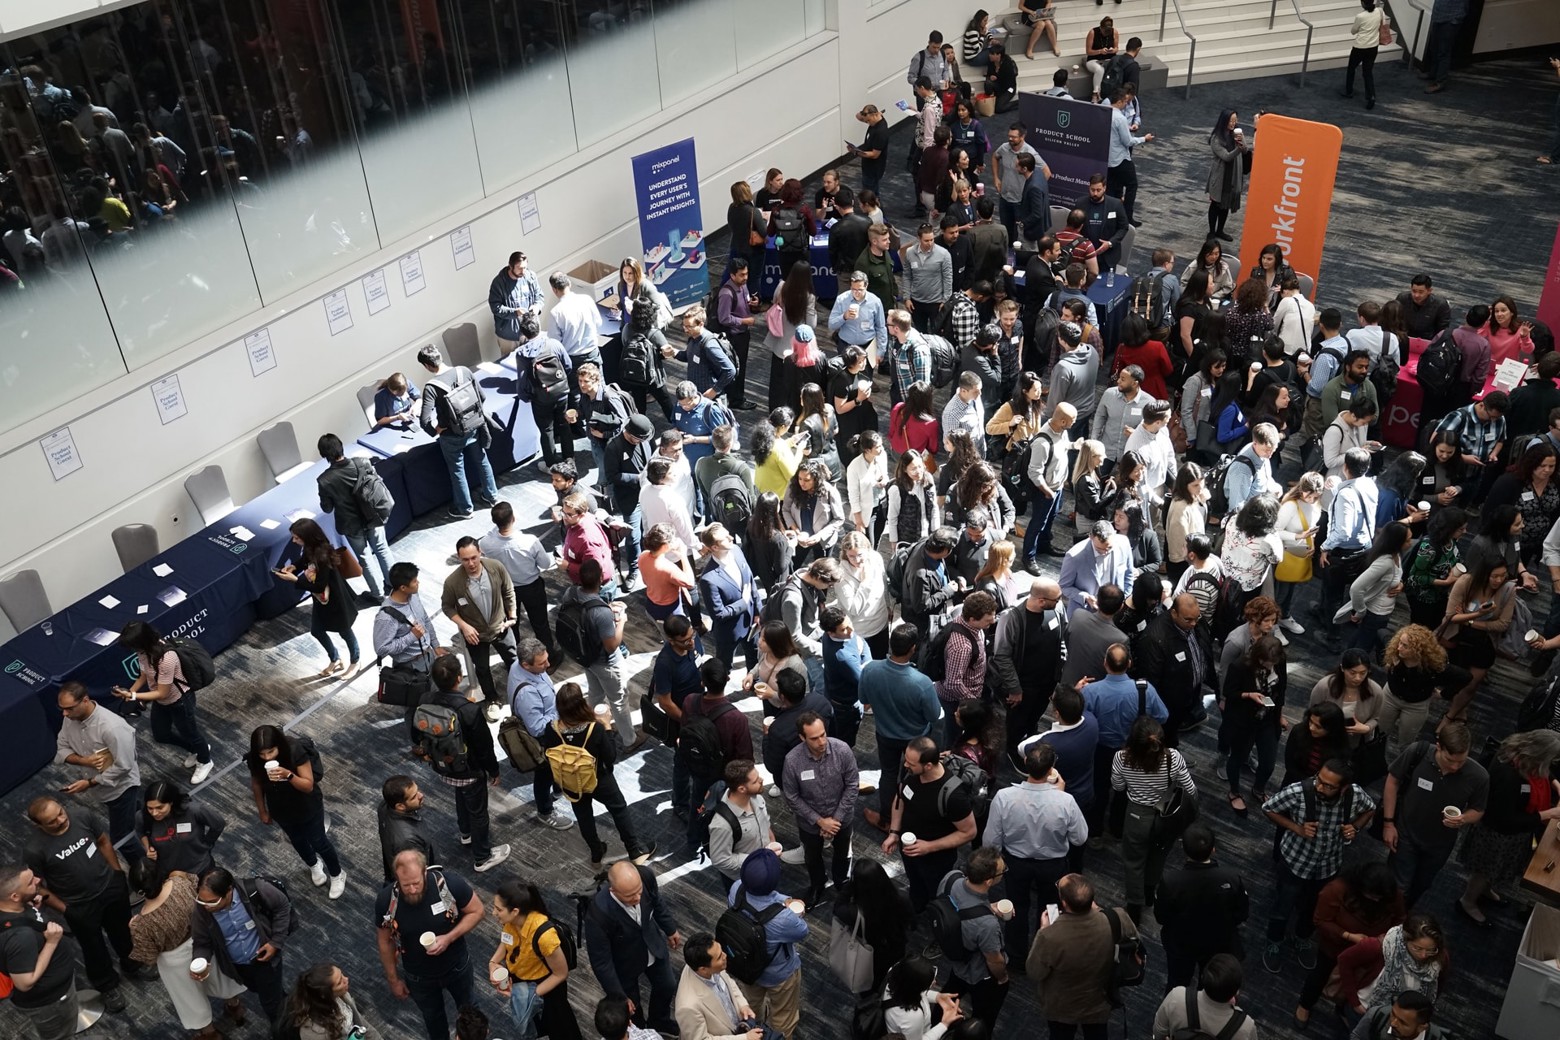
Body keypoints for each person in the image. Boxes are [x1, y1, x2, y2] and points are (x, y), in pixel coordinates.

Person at [1261, 761, 1377, 973]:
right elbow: (1268, 809)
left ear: (1343, 788)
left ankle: (1302, 937)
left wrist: (1355, 827)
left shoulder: (1354, 795)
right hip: (1296, 861)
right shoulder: (1299, 791)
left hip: (1328, 865)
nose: (1319, 787)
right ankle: (1274, 941)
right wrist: (1296, 827)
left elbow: (1370, 808)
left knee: (1316, 907)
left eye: (1328, 786)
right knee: (1283, 906)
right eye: (1319, 780)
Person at [984, 743, 1086, 956]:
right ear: (1051, 769)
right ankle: (1045, 952)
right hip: (1053, 865)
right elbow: (1080, 838)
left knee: (1015, 909)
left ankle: (1016, 955)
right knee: (1050, 910)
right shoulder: (1065, 801)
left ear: (1025, 764)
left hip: (1015, 863)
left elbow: (991, 841)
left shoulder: (1003, 797)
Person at [412, 656, 510, 873]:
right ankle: (482, 857)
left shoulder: (425, 699)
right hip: (469, 770)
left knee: (461, 793)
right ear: (459, 678)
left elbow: (415, 732)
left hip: (442, 766)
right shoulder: (469, 710)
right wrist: (493, 771)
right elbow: (484, 747)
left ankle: (465, 834)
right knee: (478, 811)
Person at [374, 850, 485, 1040]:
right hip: (419, 977)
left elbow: (477, 911)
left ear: (425, 871)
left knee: (469, 1011)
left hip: (457, 966)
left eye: (416, 883)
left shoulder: (448, 884)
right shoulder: (387, 900)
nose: (412, 889)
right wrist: (393, 980)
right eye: (405, 884)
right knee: (433, 1020)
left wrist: (449, 937)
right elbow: (385, 941)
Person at [1457, 729, 1560, 921]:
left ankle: (1485, 889)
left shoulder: (1520, 751)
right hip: (1497, 833)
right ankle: (1468, 901)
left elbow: (1546, 769)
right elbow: (1505, 818)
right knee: (1485, 869)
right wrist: (1548, 814)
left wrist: (1555, 783)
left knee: (1494, 869)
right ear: (1539, 755)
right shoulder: (1509, 776)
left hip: (1512, 832)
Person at [1382, 721, 1488, 907]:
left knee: (1421, 886)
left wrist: (1463, 818)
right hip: (1405, 834)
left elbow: (1478, 810)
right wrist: (1388, 823)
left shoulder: (1479, 776)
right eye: (1450, 760)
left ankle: (1401, 917)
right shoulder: (1418, 752)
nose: (1455, 767)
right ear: (1438, 747)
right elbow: (1393, 781)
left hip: (1440, 844)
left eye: (1461, 761)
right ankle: (1388, 924)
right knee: (1399, 887)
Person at [1025, 873, 1136, 1040]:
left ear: (1063, 903)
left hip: (1061, 1005)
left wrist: (1042, 930)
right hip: (1100, 997)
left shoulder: (1050, 936)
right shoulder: (1117, 917)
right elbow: (1135, 942)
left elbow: (1035, 972)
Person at [1297, 861, 1406, 1024]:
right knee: (1321, 974)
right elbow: (1320, 920)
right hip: (1335, 947)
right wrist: (1349, 936)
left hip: (1372, 950)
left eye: (1379, 898)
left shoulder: (1390, 893)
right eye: (1372, 895)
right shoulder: (1337, 890)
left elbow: (1400, 918)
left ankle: (1343, 1009)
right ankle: (1305, 1005)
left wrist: (1385, 937)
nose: (1376, 899)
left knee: (1359, 982)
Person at [1111, 716, 1197, 921]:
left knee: (1133, 861)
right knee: (1158, 855)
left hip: (1136, 816)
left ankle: (1134, 905)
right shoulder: (1173, 758)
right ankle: (1150, 892)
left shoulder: (1121, 758)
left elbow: (1118, 787)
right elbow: (1191, 789)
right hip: (1165, 817)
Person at [244, 725, 345, 898]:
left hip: (307, 805)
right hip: (280, 808)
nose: (267, 757)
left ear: (279, 746)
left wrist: (288, 775)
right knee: (297, 841)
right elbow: (257, 784)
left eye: (271, 751)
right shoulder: (255, 758)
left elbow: (308, 785)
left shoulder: (294, 750)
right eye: (262, 754)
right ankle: (313, 864)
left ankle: (337, 874)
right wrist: (262, 810)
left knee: (319, 841)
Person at [584, 862, 683, 1035]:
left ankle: (659, 1021)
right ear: (612, 891)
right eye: (630, 896)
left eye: (639, 890)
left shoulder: (645, 876)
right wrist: (618, 995)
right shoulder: (598, 914)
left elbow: (656, 901)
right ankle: (640, 1030)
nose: (637, 898)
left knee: (667, 985)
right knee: (631, 1006)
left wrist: (670, 928)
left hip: (652, 946)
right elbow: (601, 962)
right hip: (624, 963)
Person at [882, 736, 979, 910]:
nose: (905, 766)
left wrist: (929, 847)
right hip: (910, 848)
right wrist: (894, 832)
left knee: (938, 896)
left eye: (911, 764)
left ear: (928, 766)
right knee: (916, 886)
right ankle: (917, 907)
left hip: (936, 859)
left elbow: (969, 832)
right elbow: (901, 796)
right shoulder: (912, 772)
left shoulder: (954, 796)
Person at [111, 621, 214, 785]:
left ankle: (205, 760)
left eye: (133, 646)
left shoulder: (166, 658)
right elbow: (143, 676)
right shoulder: (144, 652)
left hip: (179, 701)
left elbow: (162, 692)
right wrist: (128, 692)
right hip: (161, 701)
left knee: (191, 733)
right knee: (161, 735)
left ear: (142, 642)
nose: (133, 650)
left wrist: (133, 696)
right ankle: (196, 750)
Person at [53, 681, 142, 860]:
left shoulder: (113, 727)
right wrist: (84, 761)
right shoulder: (69, 718)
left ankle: (146, 872)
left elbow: (124, 766)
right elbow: (62, 749)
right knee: (137, 814)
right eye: (62, 708)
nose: (64, 713)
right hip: (100, 788)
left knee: (122, 839)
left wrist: (90, 783)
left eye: (69, 708)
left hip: (121, 789)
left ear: (85, 700)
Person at [724, 850, 808, 1040]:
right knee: (784, 1017)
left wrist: (782, 900)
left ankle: (753, 1030)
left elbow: (763, 897)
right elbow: (802, 931)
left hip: (746, 967)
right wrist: (791, 907)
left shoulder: (736, 889)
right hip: (780, 975)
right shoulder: (784, 918)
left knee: (751, 1005)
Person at [1155, 826, 1249, 991]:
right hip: (1218, 942)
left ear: (1184, 850)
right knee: (1210, 986)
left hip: (1181, 944)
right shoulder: (1232, 878)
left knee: (1176, 984)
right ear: (1213, 849)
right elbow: (1241, 913)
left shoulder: (1170, 882)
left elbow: (1161, 917)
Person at [486, 880, 580, 1040]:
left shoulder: (544, 936)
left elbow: (560, 974)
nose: (493, 913)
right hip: (522, 981)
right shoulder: (510, 922)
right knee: (535, 1026)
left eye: (498, 909)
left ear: (515, 911)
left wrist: (529, 996)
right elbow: (507, 940)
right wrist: (493, 962)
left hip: (547, 990)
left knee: (560, 1028)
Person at [417, 344, 498, 519]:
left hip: (451, 435)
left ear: (427, 366)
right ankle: (492, 496)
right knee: (482, 460)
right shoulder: (463, 371)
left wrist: (436, 430)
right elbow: (482, 397)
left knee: (457, 470)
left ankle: (465, 509)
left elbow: (424, 420)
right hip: (475, 426)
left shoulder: (431, 387)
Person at [273, 517, 361, 676]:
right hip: (321, 600)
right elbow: (306, 559)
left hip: (335, 600)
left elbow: (319, 585)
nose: (293, 541)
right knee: (317, 630)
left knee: (345, 630)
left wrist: (295, 579)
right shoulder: (311, 547)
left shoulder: (323, 555)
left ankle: (355, 661)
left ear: (307, 536)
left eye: (296, 538)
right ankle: (335, 659)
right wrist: (295, 566)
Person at [935, 848, 1010, 1031]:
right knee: (984, 1016)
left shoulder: (951, 878)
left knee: (950, 993)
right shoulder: (987, 925)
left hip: (955, 958)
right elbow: (994, 959)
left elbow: (956, 905)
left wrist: (988, 908)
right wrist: (1002, 978)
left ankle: (935, 1023)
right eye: (1003, 870)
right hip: (979, 975)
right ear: (989, 881)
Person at [316, 433, 393, 602]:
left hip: (351, 524)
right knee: (382, 549)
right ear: (341, 446)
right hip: (373, 515)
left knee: (365, 558)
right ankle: (394, 584)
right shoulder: (362, 462)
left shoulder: (324, 480)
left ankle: (378, 594)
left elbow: (327, 509)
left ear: (323, 454)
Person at [1439, 555, 1514, 725]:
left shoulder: (1508, 590)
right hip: (1458, 639)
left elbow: (1502, 624)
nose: (1499, 580)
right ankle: (1458, 708)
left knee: (1472, 684)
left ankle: (1449, 716)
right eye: (1494, 576)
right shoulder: (1466, 582)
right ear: (1484, 573)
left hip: (1484, 643)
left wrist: (1469, 620)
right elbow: (1450, 616)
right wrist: (1478, 615)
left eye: (1503, 575)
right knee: (1455, 679)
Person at [1136, 593, 1214, 747]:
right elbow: (1151, 681)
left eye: (1196, 618)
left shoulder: (1196, 621)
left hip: (1189, 692)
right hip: (1169, 703)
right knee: (1166, 734)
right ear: (1174, 613)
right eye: (1188, 620)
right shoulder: (1155, 639)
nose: (1194, 623)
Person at [832, 859, 911, 997]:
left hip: (869, 953)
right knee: (890, 975)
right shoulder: (902, 897)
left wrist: (850, 885)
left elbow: (838, 907)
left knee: (870, 982)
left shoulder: (855, 913)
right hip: (896, 948)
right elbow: (912, 923)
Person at [674, 934, 759, 1040]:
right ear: (703, 969)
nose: (725, 955)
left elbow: (729, 983)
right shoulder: (688, 1007)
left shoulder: (706, 964)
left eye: (721, 950)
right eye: (719, 957)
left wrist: (742, 1005)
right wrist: (744, 1038)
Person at [1152, 955, 1256, 1040]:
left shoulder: (1177, 998)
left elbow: (1158, 1032)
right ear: (1237, 991)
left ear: (1202, 978)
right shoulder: (1244, 1027)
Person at [1345, 522, 1412, 655]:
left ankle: (1346, 662)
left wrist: (1400, 584)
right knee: (1363, 648)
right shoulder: (1384, 562)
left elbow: (1395, 576)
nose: (1411, 543)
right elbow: (1356, 588)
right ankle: (1351, 669)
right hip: (1375, 613)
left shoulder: (1397, 555)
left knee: (1360, 638)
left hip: (1382, 612)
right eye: (1408, 540)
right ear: (1397, 542)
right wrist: (1360, 611)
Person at [138, 780, 224, 877]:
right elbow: (140, 831)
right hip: (169, 873)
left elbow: (218, 823)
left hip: (199, 868)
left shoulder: (193, 810)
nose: (154, 813)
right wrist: (148, 848)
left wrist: (206, 844)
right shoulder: (143, 817)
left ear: (171, 803)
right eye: (150, 808)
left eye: (160, 808)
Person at [283, 962, 381, 1040]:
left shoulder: (342, 996)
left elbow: (362, 1024)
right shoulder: (314, 1032)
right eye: (339, 982)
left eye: (342, 975)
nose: (346, 979)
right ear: (325, 994)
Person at [1059, 521, 1135, 617]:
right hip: (1084, 613)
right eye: (1099, 549)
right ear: (1090, 537)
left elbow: (1128, 574)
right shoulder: (1075, 556)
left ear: (1115, 534)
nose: (1105, 552)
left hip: (1114, 613)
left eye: (1109, 548)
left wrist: (1122, 600)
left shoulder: (1123, 543)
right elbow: (1064, 586)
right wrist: (1085, 597)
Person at [884, 956, 965, 1040]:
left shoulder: (895, 976)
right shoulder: (912, 1017)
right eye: (930, 983)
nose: (934, 982)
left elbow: (911, 992)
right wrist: (944, 1024)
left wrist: (937, 997)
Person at [378, 775, 437, 884]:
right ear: (400, 806)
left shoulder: (384, 806)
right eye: (414, 797)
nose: (421, 795)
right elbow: (416, 874)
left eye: (417, 790)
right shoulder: (408, 841)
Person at [1205, 110, 1250, 242]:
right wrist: (1238, 148)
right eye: (1231, 121)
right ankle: (1212, 231)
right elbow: (1226, 156)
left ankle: (1220, 230)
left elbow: (1246, 150)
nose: (1233, 123)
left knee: (1226, 204)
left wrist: (1241, 142)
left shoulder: (1237, 132)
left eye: (1235, 120)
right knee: (1216, 203)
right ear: (1224, 121)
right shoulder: (1216, 138)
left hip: (1233, 175)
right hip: (1220, 175)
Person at [490, 250, 543, 356]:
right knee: (510, 367)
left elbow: (539, 296)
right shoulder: (499, 283)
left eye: (525, 267)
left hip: (529, 332)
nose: (523, 271)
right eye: (519, 268)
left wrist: (537, 306)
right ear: (510, 266)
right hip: (508, 336)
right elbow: (496, 307)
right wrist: (515, 312)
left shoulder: (530, 276)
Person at [1348, 990, 1448, 1040]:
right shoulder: (1377, 1015)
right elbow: (1357, 1037)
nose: (1393, 1023)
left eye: (1403, 1022)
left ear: (1422, 1027)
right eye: (1393, 1014)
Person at [1423, 0, 1465, 93]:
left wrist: (1457, 18)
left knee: (1444, 51)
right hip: (1438, 14)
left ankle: (1440, 82)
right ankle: (1433, 73)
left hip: (1452, 18)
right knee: (1434, 47)